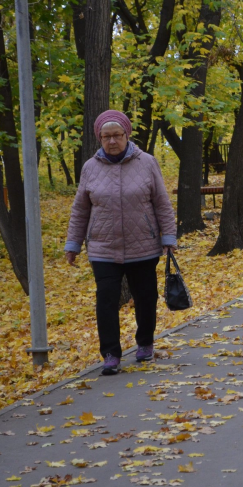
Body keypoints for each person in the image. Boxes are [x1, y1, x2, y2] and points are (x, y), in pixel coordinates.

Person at [64, 110, 177, 375]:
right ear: (99, 138)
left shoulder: (147, 162)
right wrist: (73, 244)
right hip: (103, 248)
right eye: (106, 136)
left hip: (143, 245)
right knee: (106, 300)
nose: (112, 141)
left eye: (117, 135)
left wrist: (168, 237)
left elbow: (162, 202)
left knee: (146, 297)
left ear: (127, 135)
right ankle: (111, 353)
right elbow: (80, 209)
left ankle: (145, 343)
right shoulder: (90, 168)